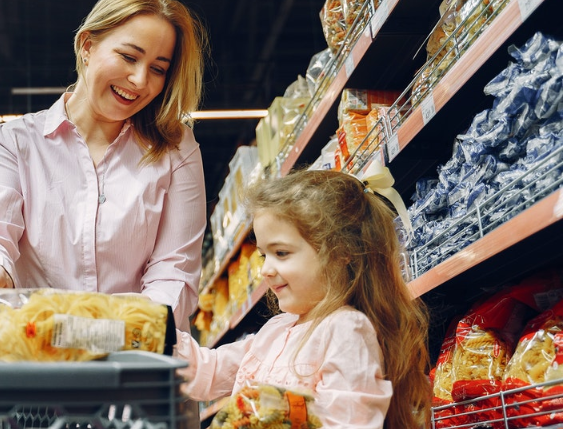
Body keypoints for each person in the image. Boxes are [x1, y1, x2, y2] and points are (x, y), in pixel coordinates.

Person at [0, 0, 208, 332]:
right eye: (129, 57)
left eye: (158, 69)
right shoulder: (16, 142)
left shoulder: (176, 148)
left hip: (136, 359)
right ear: (87, 46)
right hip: (38, 352)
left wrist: (110, 332)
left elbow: (175, 270)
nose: (140, 80)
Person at [175, 169, 431, 428]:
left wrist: (282, 417)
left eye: (282, 253)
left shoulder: (345, 330)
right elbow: (210, 372)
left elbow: (349, 422)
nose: (265, 269)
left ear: (342, 252)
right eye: (264, 255)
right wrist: (159, 332)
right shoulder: (276, 330)